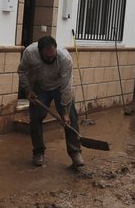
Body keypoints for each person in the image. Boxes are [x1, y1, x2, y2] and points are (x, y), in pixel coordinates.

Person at [17, 35, 84, 168]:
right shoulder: (30, 53)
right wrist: (28, 90)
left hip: (60, 87)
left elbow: (66, 86)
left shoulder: (64, 58)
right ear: (39, 51)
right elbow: (22, 71)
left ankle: (75, 152)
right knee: (35, 117)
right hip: (40, 87)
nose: (51, 58)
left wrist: (64, 112)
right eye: (47, 57)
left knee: (70, 118)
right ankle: (38, 152)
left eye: (53, 56)